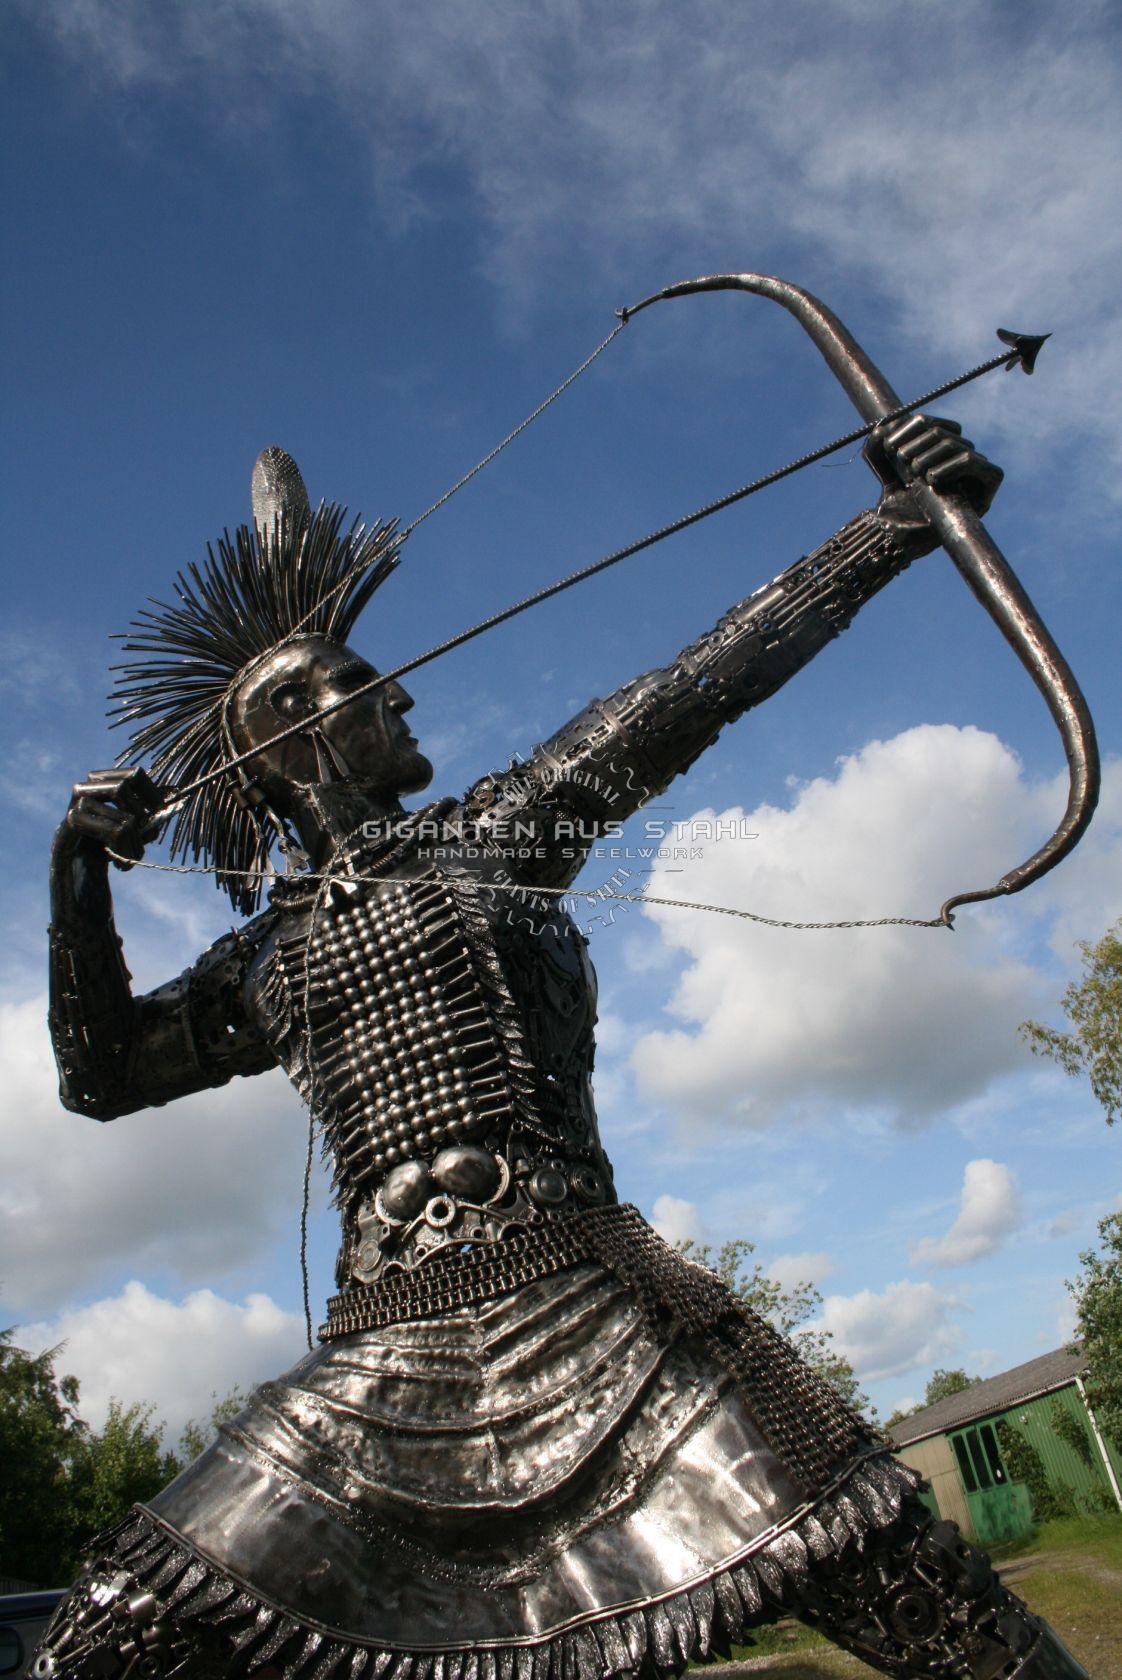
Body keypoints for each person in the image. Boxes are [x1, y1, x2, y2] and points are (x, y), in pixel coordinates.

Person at [36, 430, 1089, 1679]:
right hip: (382, 1361)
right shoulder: (260, 961)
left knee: (941, 1615)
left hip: (601, 1315)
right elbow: (102, 1077)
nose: (400, 697)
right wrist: (77, 873)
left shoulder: (499, 833)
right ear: (292, 735)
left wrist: (891, 530)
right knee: (109, 1627)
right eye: (361, 685)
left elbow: (693, 688)